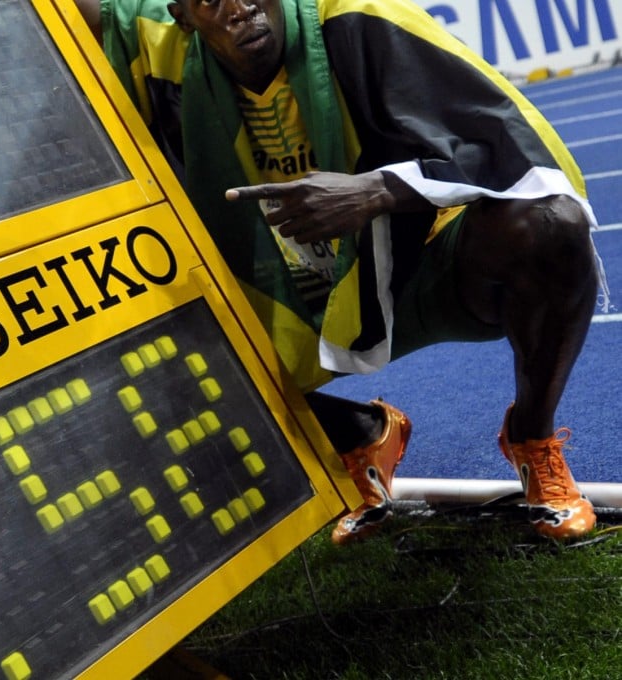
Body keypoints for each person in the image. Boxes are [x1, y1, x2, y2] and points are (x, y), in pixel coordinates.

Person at [72, 0, 608, 542]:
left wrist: (376, 191)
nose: (239, 8)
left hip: (417, 268)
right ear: (182, 16)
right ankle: (359, 435)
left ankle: (532, 438)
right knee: (142, 328)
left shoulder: (358, 18)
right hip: (287, 299)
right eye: (211, 2)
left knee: (549, 223)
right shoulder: (155, 43)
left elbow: (518, 152)